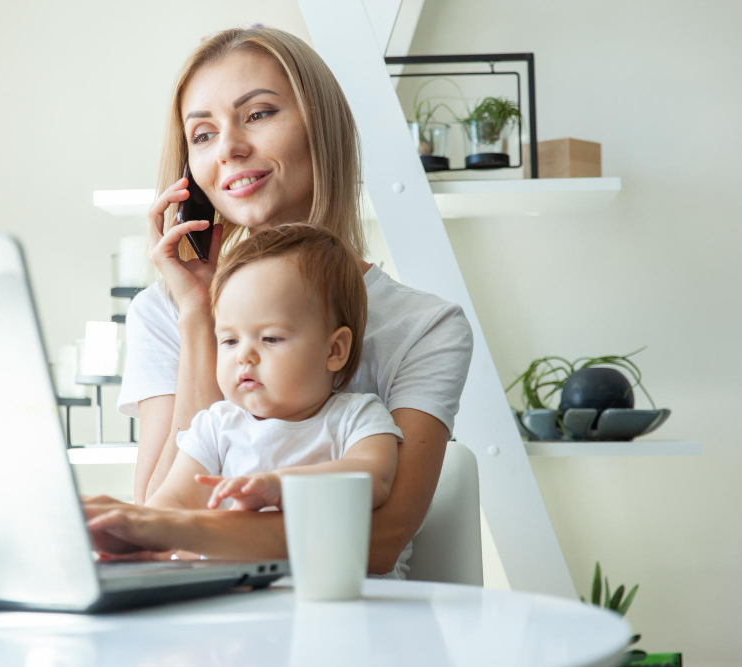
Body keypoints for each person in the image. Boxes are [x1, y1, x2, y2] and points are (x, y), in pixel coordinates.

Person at [84, 25, 473, 579]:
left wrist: (181, 529)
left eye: (259, 114)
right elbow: (152, 521)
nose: (229, 148)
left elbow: (382, 540)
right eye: (202, 134)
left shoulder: (424, 326)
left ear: (322, 126)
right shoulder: (165, 310)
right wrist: (198, 317)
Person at [146, 223, 401, 516]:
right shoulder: (216, 427)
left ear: (334, 350)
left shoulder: (357, 417)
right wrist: (138, 527)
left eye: (270, 338)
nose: (244, 355)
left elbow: (372, 478)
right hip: (230, 561)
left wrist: (281, 486)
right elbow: (173, 500)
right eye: (229, 340)